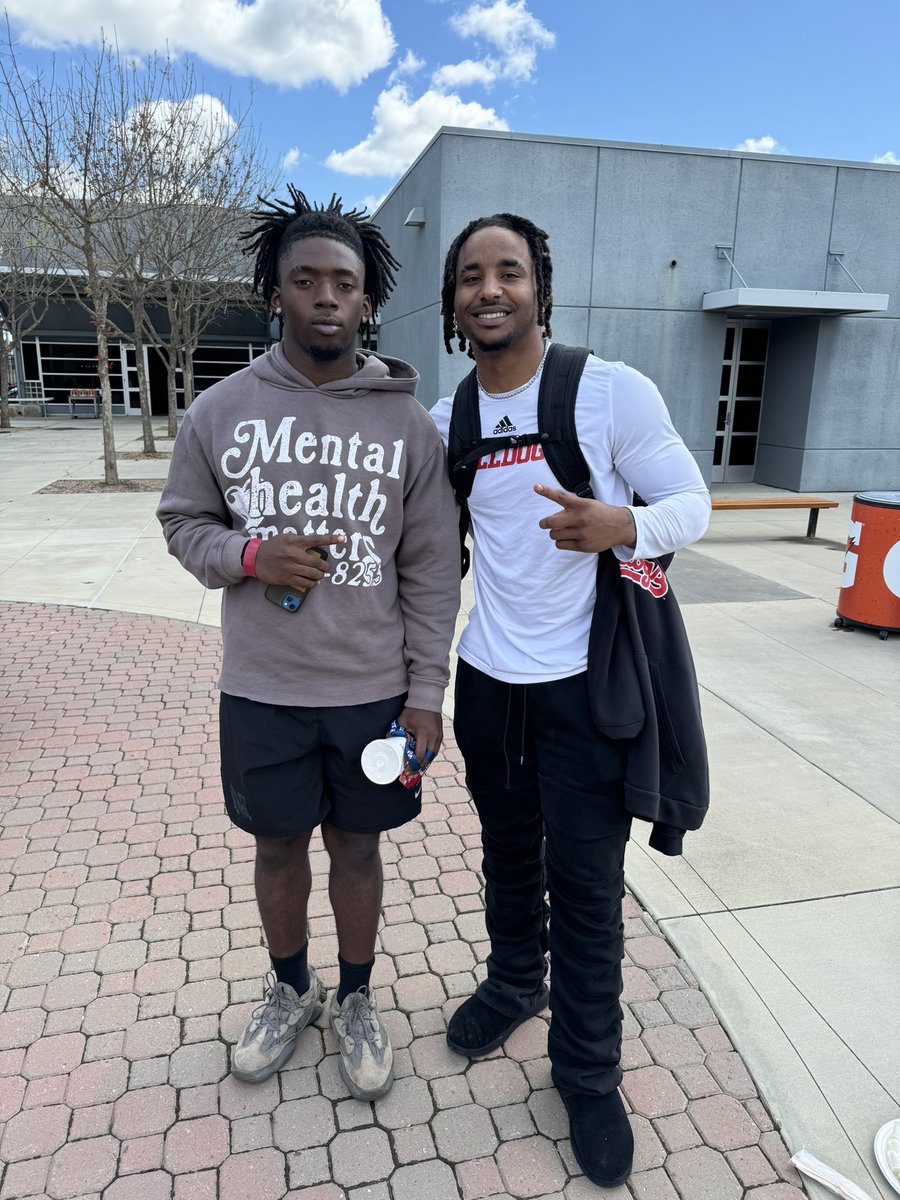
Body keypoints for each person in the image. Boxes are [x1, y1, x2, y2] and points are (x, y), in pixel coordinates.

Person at [157, 189, 460, 1102]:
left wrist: (425, 691)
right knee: (278, 846)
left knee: (359, 849)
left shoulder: (406, 423)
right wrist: (249, 555)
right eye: (306, 280)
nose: (327, 296)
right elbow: (181, 524)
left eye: (345, 283)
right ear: (276, 293)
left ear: (368, 301)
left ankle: (358, 998)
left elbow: (433, 569)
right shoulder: (220, 411)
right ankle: (292, 990)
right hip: (262, 688)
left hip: (372, 694)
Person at [429, 213, 710, 1187]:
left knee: (586, 891)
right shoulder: (448, 418)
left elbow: (694, 501)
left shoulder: (609, 392)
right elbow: (414, 544)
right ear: (453, 300)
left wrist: (621, 522)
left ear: (539, 286)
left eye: (509, 271)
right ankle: (515, 983)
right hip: (490, 688)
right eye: (471, 276)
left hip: (587, 693)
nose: (490, 289)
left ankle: (587, 1073)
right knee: (508, 856)